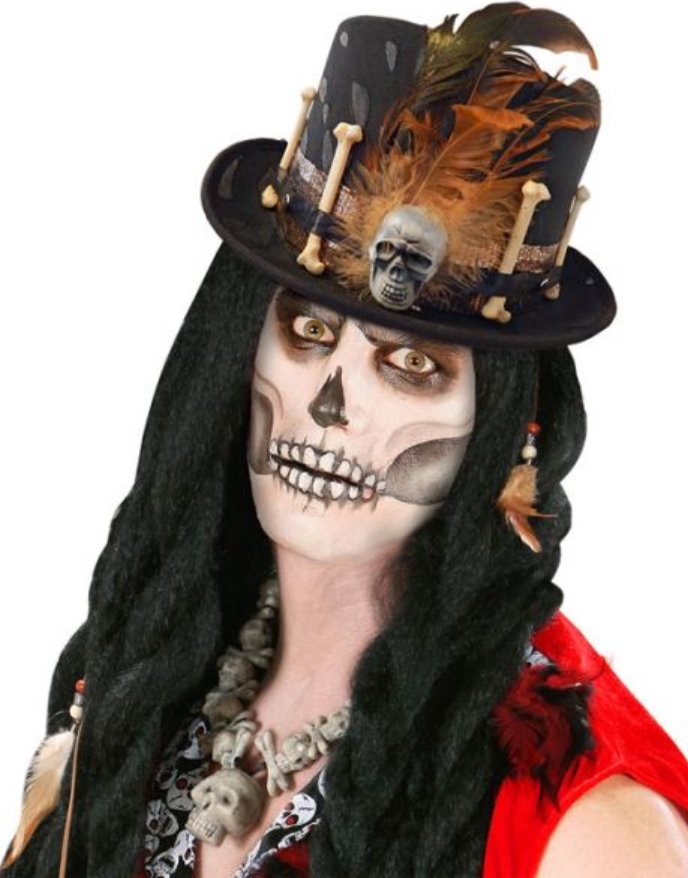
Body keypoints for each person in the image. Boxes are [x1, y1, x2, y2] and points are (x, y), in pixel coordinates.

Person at [3, 5, 688, 878]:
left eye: (410, 364)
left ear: (505, 430)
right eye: (308, 331)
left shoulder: (591, 827)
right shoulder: (147, 676)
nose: (331, 405)